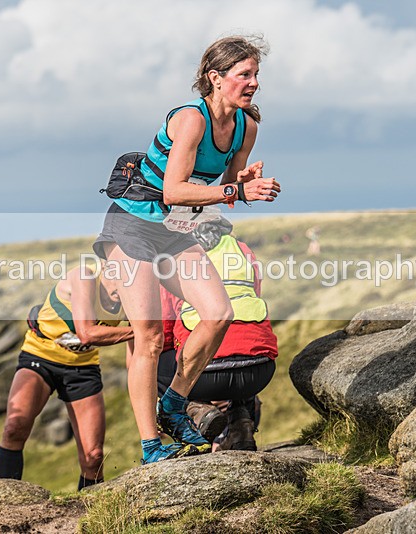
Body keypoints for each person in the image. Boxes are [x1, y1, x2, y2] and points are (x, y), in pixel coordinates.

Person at [93, 35, 281, 464]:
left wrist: (243, 183)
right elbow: (175, 190)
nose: (253, 83)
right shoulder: (190, 119)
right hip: (131, 227)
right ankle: (150, 446)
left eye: (256, 75)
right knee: (150, 335)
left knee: (217, 313)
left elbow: (224, 188)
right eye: (244, 75)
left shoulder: (246, 126)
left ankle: (175, 404)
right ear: (215, 78)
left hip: (176, 232)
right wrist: (238, 189)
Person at [0, 263, 133, 491]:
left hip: (82, 367)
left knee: (94, 457)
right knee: (14, 428)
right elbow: (86, 333)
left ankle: (92, 519)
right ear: (107, 267)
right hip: (40, 355)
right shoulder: (84, 276)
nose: (123, 289)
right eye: (120, 280)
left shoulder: (130, 295)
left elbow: (137, 353)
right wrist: (140, 329)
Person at [158, 218, 278, 451]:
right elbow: (254, 293)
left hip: (205, 378)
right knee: (243, 335)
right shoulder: (241, 248)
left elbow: (164, 328)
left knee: (160, 359)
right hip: (260, 370)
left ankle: (196, 408)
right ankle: (241, 424)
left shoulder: (172, 257)